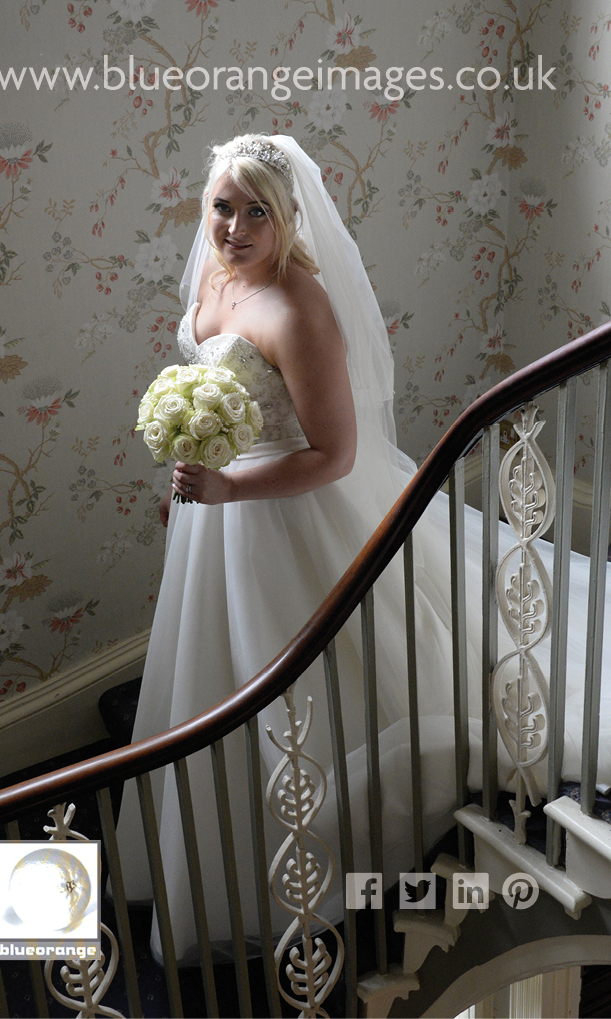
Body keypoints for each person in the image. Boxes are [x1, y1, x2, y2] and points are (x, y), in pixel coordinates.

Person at [115, 134, 611, 964]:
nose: (234, 227)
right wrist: (196, 478)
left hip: (291, 509)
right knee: (213, 670)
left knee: (310, 674)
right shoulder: (213, 273)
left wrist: (233, 487)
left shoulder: (302, 306)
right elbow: (209, 380)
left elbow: (335, 455)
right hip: (220, 516)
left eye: (256, 212)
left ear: (287, 216)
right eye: (222, 207)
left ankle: (334, 841)